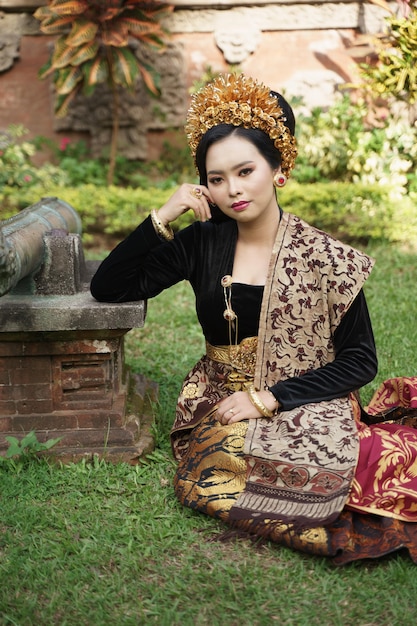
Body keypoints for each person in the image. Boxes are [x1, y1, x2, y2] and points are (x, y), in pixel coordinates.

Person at [91, 73, 417, 564]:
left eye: (245, 172)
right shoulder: (201, 244)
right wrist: (164, 215)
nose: (232, 191)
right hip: (222, 400)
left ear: (278, 169)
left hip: (306, 394)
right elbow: (109, 287)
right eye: (216, 179)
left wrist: (268, 398)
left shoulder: (325, 257)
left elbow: (359, 363)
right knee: (218, 464)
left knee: (351, 457)